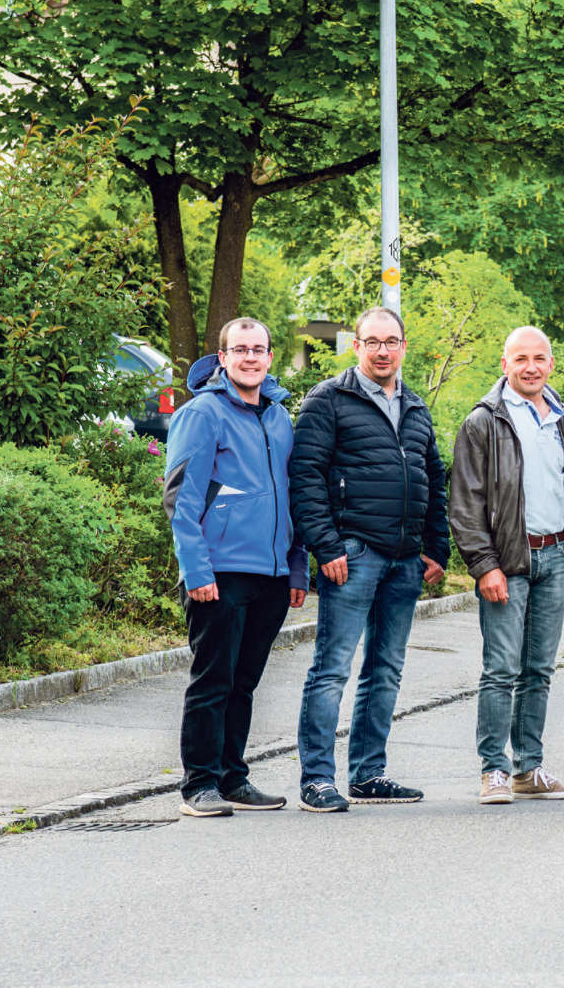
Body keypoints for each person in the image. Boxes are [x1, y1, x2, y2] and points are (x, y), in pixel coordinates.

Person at [290, 306, 449, 813]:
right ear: (356, 346)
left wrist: (436, 547)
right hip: (352, 554)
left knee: (385, 670)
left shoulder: (415, 406)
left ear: (403, 347)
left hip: (405, 560)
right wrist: (326, 545)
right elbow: (305, 476)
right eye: (373, 342)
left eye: (391, 342)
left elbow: (433, 479)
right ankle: (317, 779)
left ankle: (368, 773)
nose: (383, 351)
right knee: (331, 669)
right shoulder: (328, 399)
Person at [164, 317, 307, 817]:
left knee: (244, 683)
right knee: (213, 681)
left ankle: (232, 779)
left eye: (258, 349)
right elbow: (181, 500)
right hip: (219, 572)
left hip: (272, 575)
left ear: (270, 357)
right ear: (222, 358)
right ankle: (199, 785)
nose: (250, 357)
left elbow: (292, 496)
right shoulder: (202, 414)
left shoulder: (279, 417)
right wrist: (196, 571)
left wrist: (296, 567)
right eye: (240, 349)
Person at [449, 326, 564, 805]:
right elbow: (465, 503)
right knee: (501, 669)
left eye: (539, 358)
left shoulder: (563, 418)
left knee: (539, 670)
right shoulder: (484, 421)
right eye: (521, 358)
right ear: (504, 364)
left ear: (551, 363)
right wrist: (484, 564)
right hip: (508, 561)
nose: (531, 367)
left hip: (557, 556)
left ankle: (529, 768)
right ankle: (494, 769)